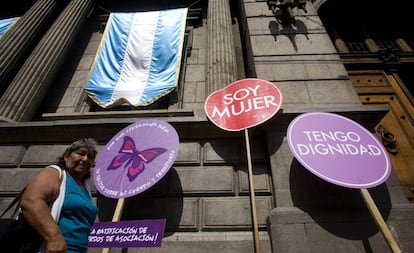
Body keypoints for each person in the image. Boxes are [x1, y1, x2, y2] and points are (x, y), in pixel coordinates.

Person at [20, 138, 99, 253]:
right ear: (67, 156)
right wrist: (53, 237)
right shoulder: (54, 173)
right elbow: (31, 202)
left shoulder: (85, 188)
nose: (85, 159)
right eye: (80, 153)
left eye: (90, 157)